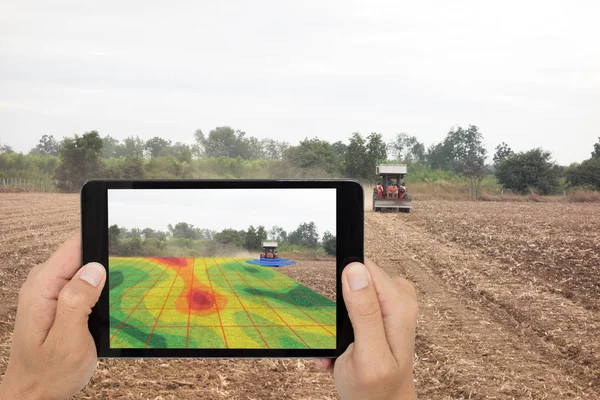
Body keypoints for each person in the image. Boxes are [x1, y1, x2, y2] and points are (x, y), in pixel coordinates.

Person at [0, 232, 418, 400]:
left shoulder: (268, 261)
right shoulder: (261, 259)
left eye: (270, 253)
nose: (269, 255)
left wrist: (31, 386)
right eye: (268, 252)